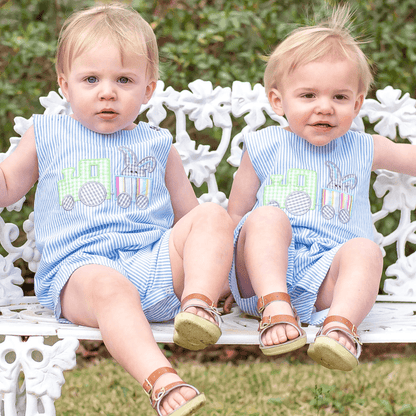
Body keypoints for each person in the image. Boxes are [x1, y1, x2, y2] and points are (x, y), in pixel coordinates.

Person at [0, 4, 234, 415]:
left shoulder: (158, 145)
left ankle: (199, 306)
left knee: (213, 215)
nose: (107, 92)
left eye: (124, 80)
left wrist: (220, 276)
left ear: (147, 90)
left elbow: (189, 220)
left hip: (154, 269)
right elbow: (6, 184)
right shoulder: (49, 133)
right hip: (81, 277)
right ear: (65, 85)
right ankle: (162, 380)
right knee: (109, 286)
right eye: (91, 79)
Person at [227, 5, 416, 372]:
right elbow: (236, 214)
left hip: (325, 283)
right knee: (265, 217)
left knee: (366, 250)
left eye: (340, 98)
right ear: (278, 101)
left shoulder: (364, 147)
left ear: (357, 103)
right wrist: (221, 277)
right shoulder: (264, 146)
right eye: (308, 96)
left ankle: (339, 327)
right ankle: (276, 306)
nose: (324, 108)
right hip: (262, 274)